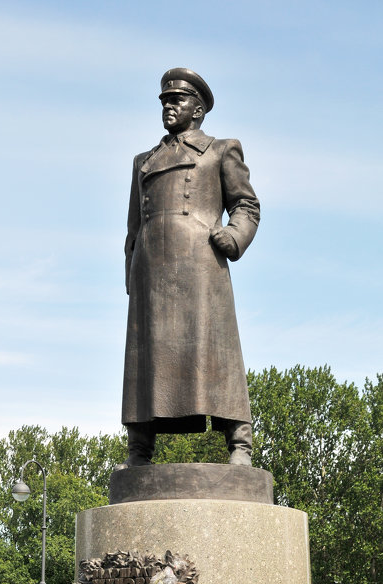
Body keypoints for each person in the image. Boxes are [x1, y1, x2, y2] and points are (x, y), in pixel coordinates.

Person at [120, 67, 260, 467]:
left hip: (201, 269)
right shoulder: (143, 162)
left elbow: (246, 205)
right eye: (164, 100)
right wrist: (131, 271)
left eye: (176, 100)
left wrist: (234, 236)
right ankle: (139, 449)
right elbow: (133, 227)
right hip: (151, 274)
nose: (167, 105)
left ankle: (240, 443)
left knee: (217, 353)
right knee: (144, 359)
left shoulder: (220, 150)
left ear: (197, 109)